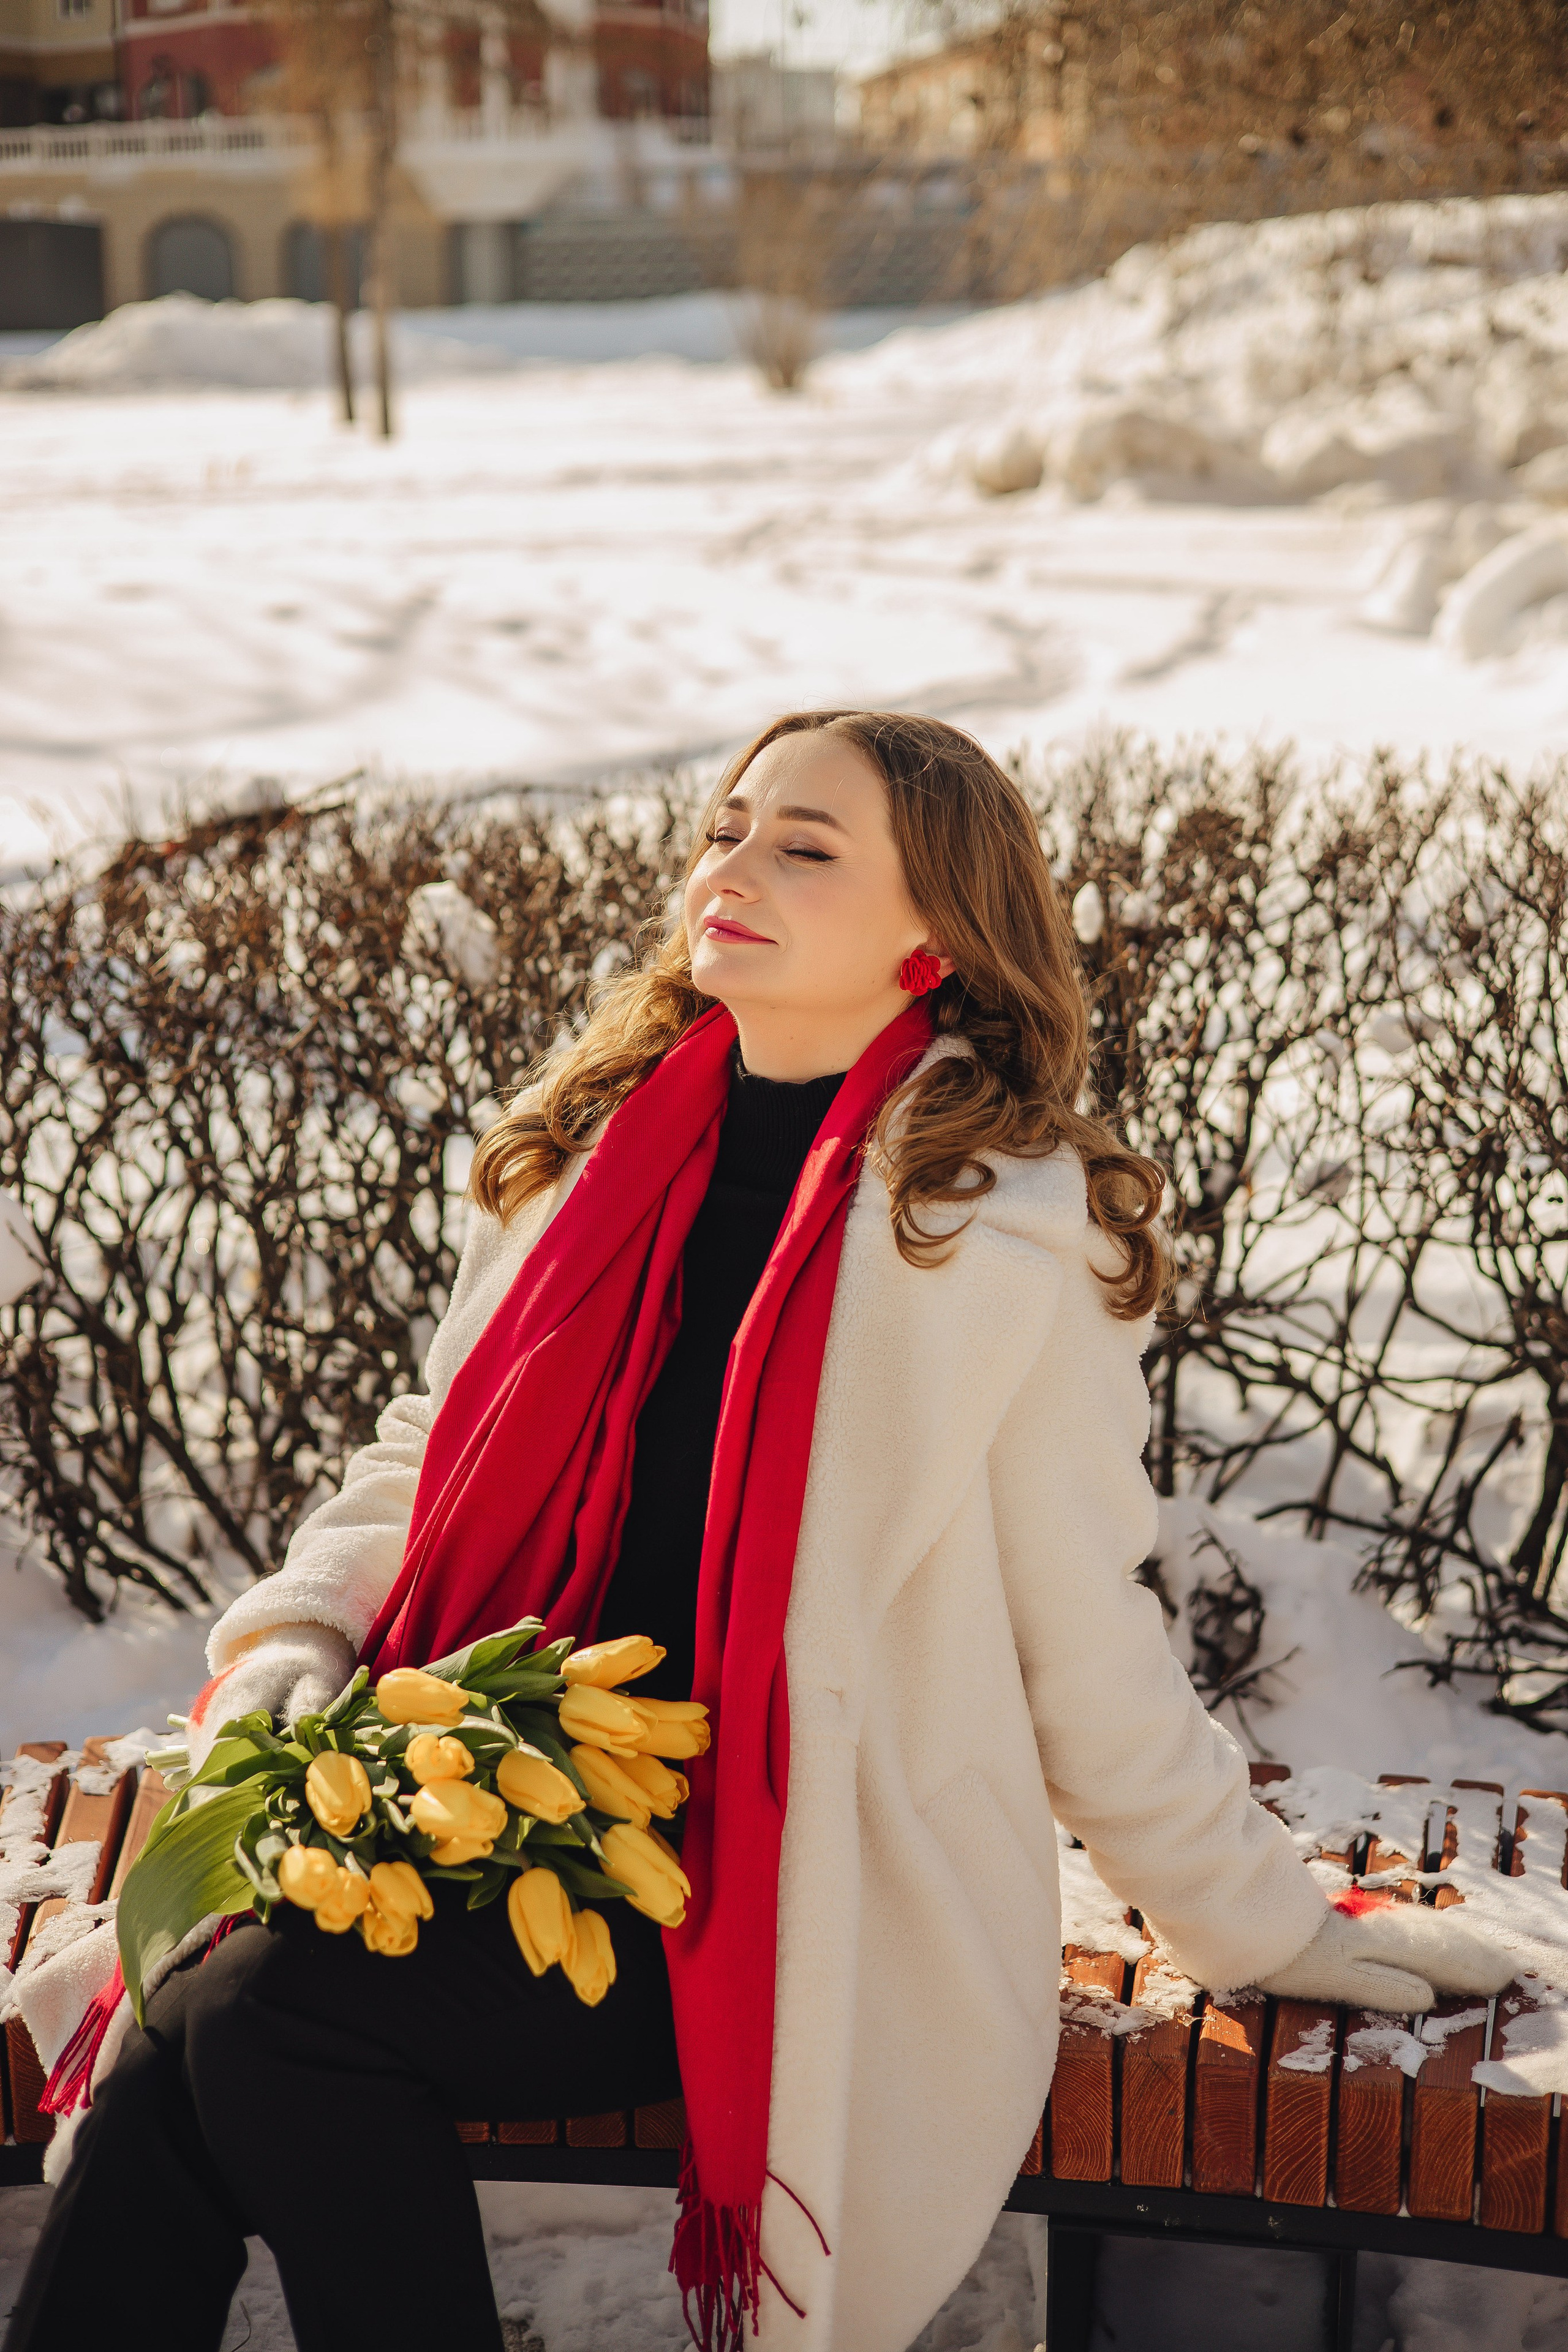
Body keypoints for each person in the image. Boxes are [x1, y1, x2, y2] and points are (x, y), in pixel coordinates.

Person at [6, 710, 1510, 2352]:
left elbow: (1077, 1632)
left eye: (806, 848)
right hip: (500, 1812)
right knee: (186, 2043)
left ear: (936, 933)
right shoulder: (596, 1153)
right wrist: (302, 1636)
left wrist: (1259, 1921)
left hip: (768, 1889)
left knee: (265, 2021)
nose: (731, 867)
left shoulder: (989, 1232)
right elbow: (430, 1455)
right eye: (729, 827)